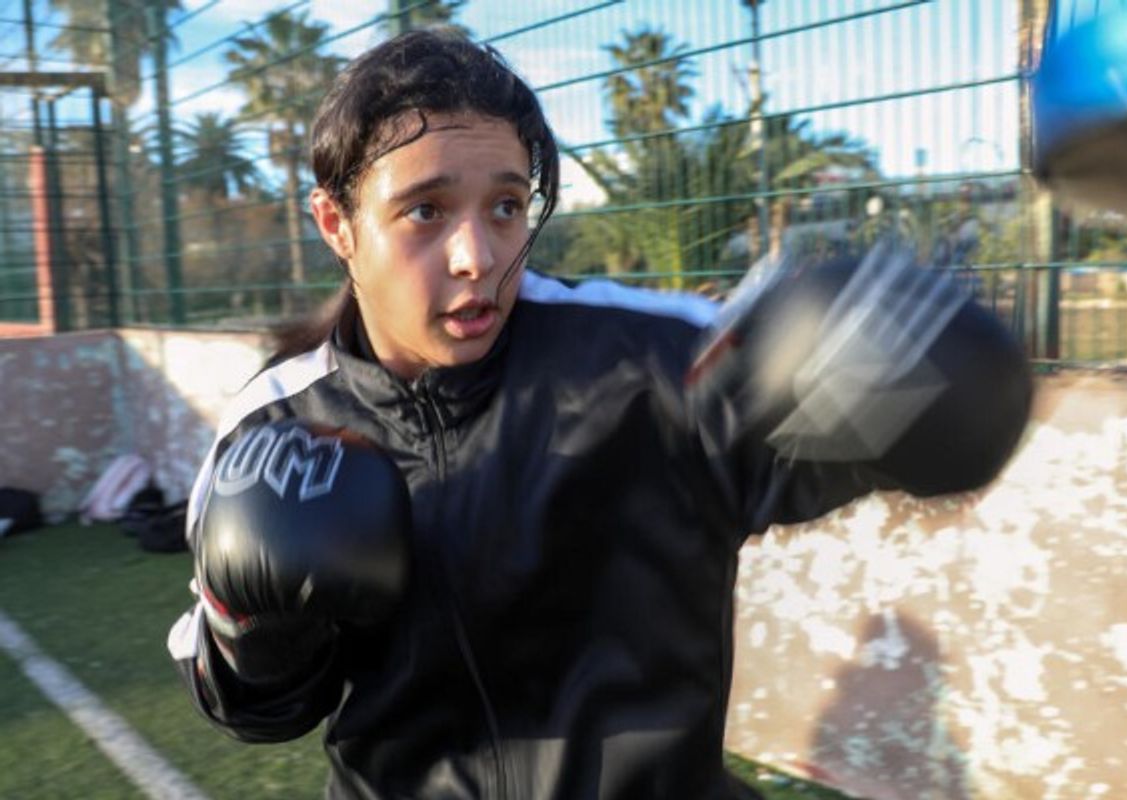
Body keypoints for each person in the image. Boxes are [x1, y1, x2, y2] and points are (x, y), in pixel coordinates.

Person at [167, 27, 1033, 800]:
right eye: (425, 211)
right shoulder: (274, 432)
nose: (478, 256)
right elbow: (257, 710)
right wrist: (256, 624)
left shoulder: (654, 363)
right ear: (337, 223)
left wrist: (922, 387)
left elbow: (836, 437)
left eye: (506, 207)